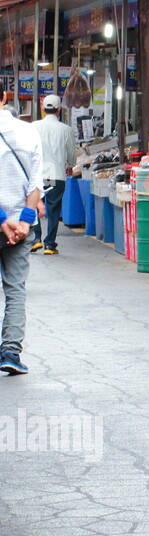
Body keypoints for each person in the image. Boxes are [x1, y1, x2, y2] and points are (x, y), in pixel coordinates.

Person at [0, 104, 45, 375]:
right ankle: (10, 353)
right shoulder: (28, 132)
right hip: (21, 226)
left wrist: (3, 220)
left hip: (8, 222)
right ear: (4, 97)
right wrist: (25, 222)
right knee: (15, 289)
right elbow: (36, 184)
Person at [32, 94, 78, 255]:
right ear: (59, 110)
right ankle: (49, 245)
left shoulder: (33, 126)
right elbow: (71, 153)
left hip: (37, 176)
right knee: (53, 209)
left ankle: (35, 239)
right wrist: (71, 165)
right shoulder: (66, 130)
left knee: (34, 206)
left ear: (43, 109)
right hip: (55, 176)